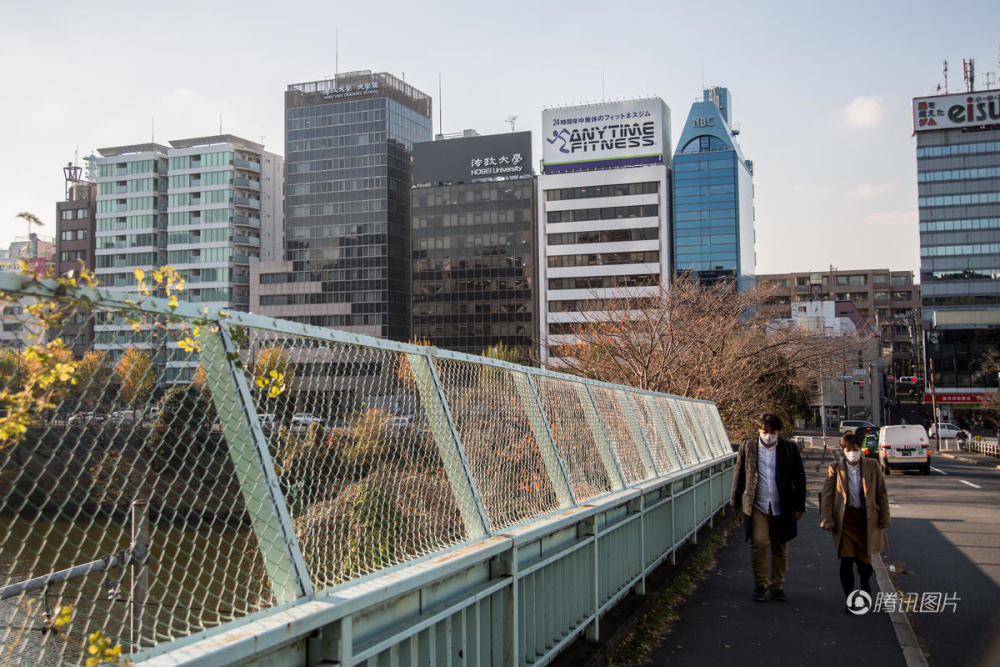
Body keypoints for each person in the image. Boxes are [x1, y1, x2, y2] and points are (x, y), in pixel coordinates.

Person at [730, 413, 807, 601]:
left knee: (780, 546)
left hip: (783, 505)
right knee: (759, 542)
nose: (769, 435)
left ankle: (777, 585)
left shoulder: (789, 449)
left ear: (779, 432)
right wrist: (735, 502)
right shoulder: (748, 447)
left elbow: (800, 478)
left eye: (773, 432)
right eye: (765, 431)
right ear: (759, 430)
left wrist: (799, 506)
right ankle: (760, 584)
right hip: (757, 504)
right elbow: (739, 474)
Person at [820, 432, 891, 612]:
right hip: (845, 520)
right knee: (846, 561)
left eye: (856, 450)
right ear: (843, 450)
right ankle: (850, 599)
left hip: (866, 520)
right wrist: (827, 519)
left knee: (864, 565)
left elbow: (881, 493)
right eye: (849, 450)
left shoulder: (872, 465)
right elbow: (827, 495)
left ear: (861, 449)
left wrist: (884, 517)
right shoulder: (835, 468)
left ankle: (865, 586)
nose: (853, 453)